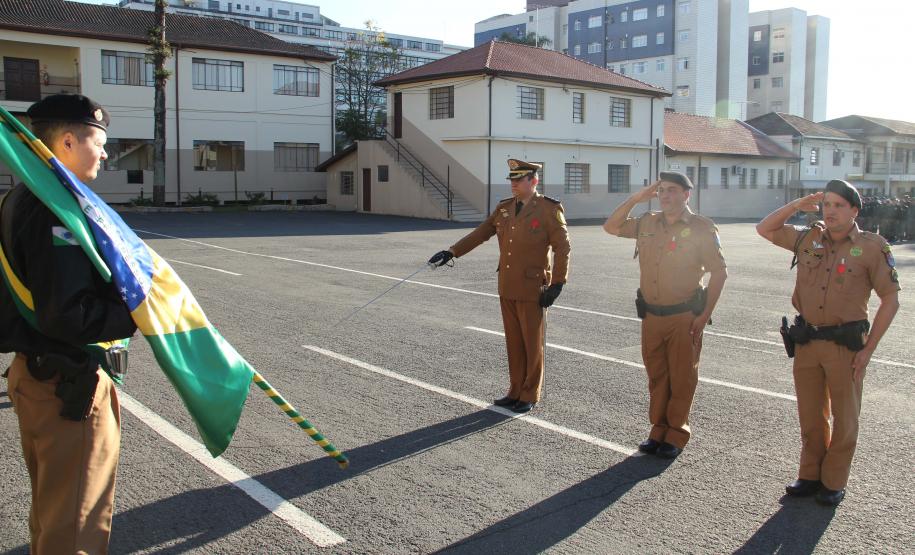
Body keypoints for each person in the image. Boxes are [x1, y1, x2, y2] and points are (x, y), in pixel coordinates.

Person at [0, 94, 137, 553]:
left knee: (52, 515)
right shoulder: (54, 212)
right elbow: (69, 314)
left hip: (39, 375)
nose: (104, 153)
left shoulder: (21, 196)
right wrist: (136, 308)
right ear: (66, 141)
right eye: (99, 143)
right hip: (64, 385)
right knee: (74, 528)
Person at [756, 180, 899, 506]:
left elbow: (890, 300)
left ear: (854, 210)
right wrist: (797, 204)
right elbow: (765, 228)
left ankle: (833, 481)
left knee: (845, 418)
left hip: (845, 346)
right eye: (827, 204)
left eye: (838, 205)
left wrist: (869, 350)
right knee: (810, 415)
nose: (830, 211)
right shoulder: (809, 239)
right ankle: (809, 475)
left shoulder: (871, 246)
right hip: (806, 343)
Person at [428, 159, 571, 413]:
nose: (513, 184)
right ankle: (515, 389)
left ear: (533, 181)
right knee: (514, 342)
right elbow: (481, 233)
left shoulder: (549, 209)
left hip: (532, 288)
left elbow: (563, 248)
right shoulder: (504, 208)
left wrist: (558, 283)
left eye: (519, 180)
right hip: (507, 285)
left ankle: (529, 393)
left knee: (531, 343)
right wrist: (451, 252)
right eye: (512, 180)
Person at [602, 172, 727, 459]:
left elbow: (719, 272)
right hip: (652, 316)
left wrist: (705, 314)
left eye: (672, 190)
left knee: (682, 376)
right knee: (657, 375)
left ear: (687, 195)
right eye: (662, 191)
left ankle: (676, 433)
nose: (666, 196)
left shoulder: (701, 227)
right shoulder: (648, 222)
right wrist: (636, 199)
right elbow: (611, 226)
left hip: (684, 316)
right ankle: (658, 429)